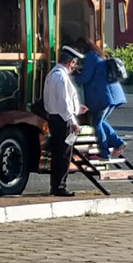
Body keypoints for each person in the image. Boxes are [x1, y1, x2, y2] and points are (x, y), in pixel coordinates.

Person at [43, 45, 88, 197]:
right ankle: (59, 187)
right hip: (62, 121)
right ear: (71, 62)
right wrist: (73, 122)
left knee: (59, 153)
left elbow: (61, 102)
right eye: (75, 63)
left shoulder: (52, 74)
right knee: (63, 155)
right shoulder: (61, 77)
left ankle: (57, 185)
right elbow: (63, 103)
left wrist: (77, 108)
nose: (74, 67)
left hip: (56, 118)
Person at [74, 36, 126, 159]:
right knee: (100, 122)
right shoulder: (99, 55)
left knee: (96, 124)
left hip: (102, 97)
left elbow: (84, 78)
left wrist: (73, 74)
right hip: (112, 95)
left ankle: (104, 153)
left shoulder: (91, 57)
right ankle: (118, 143)